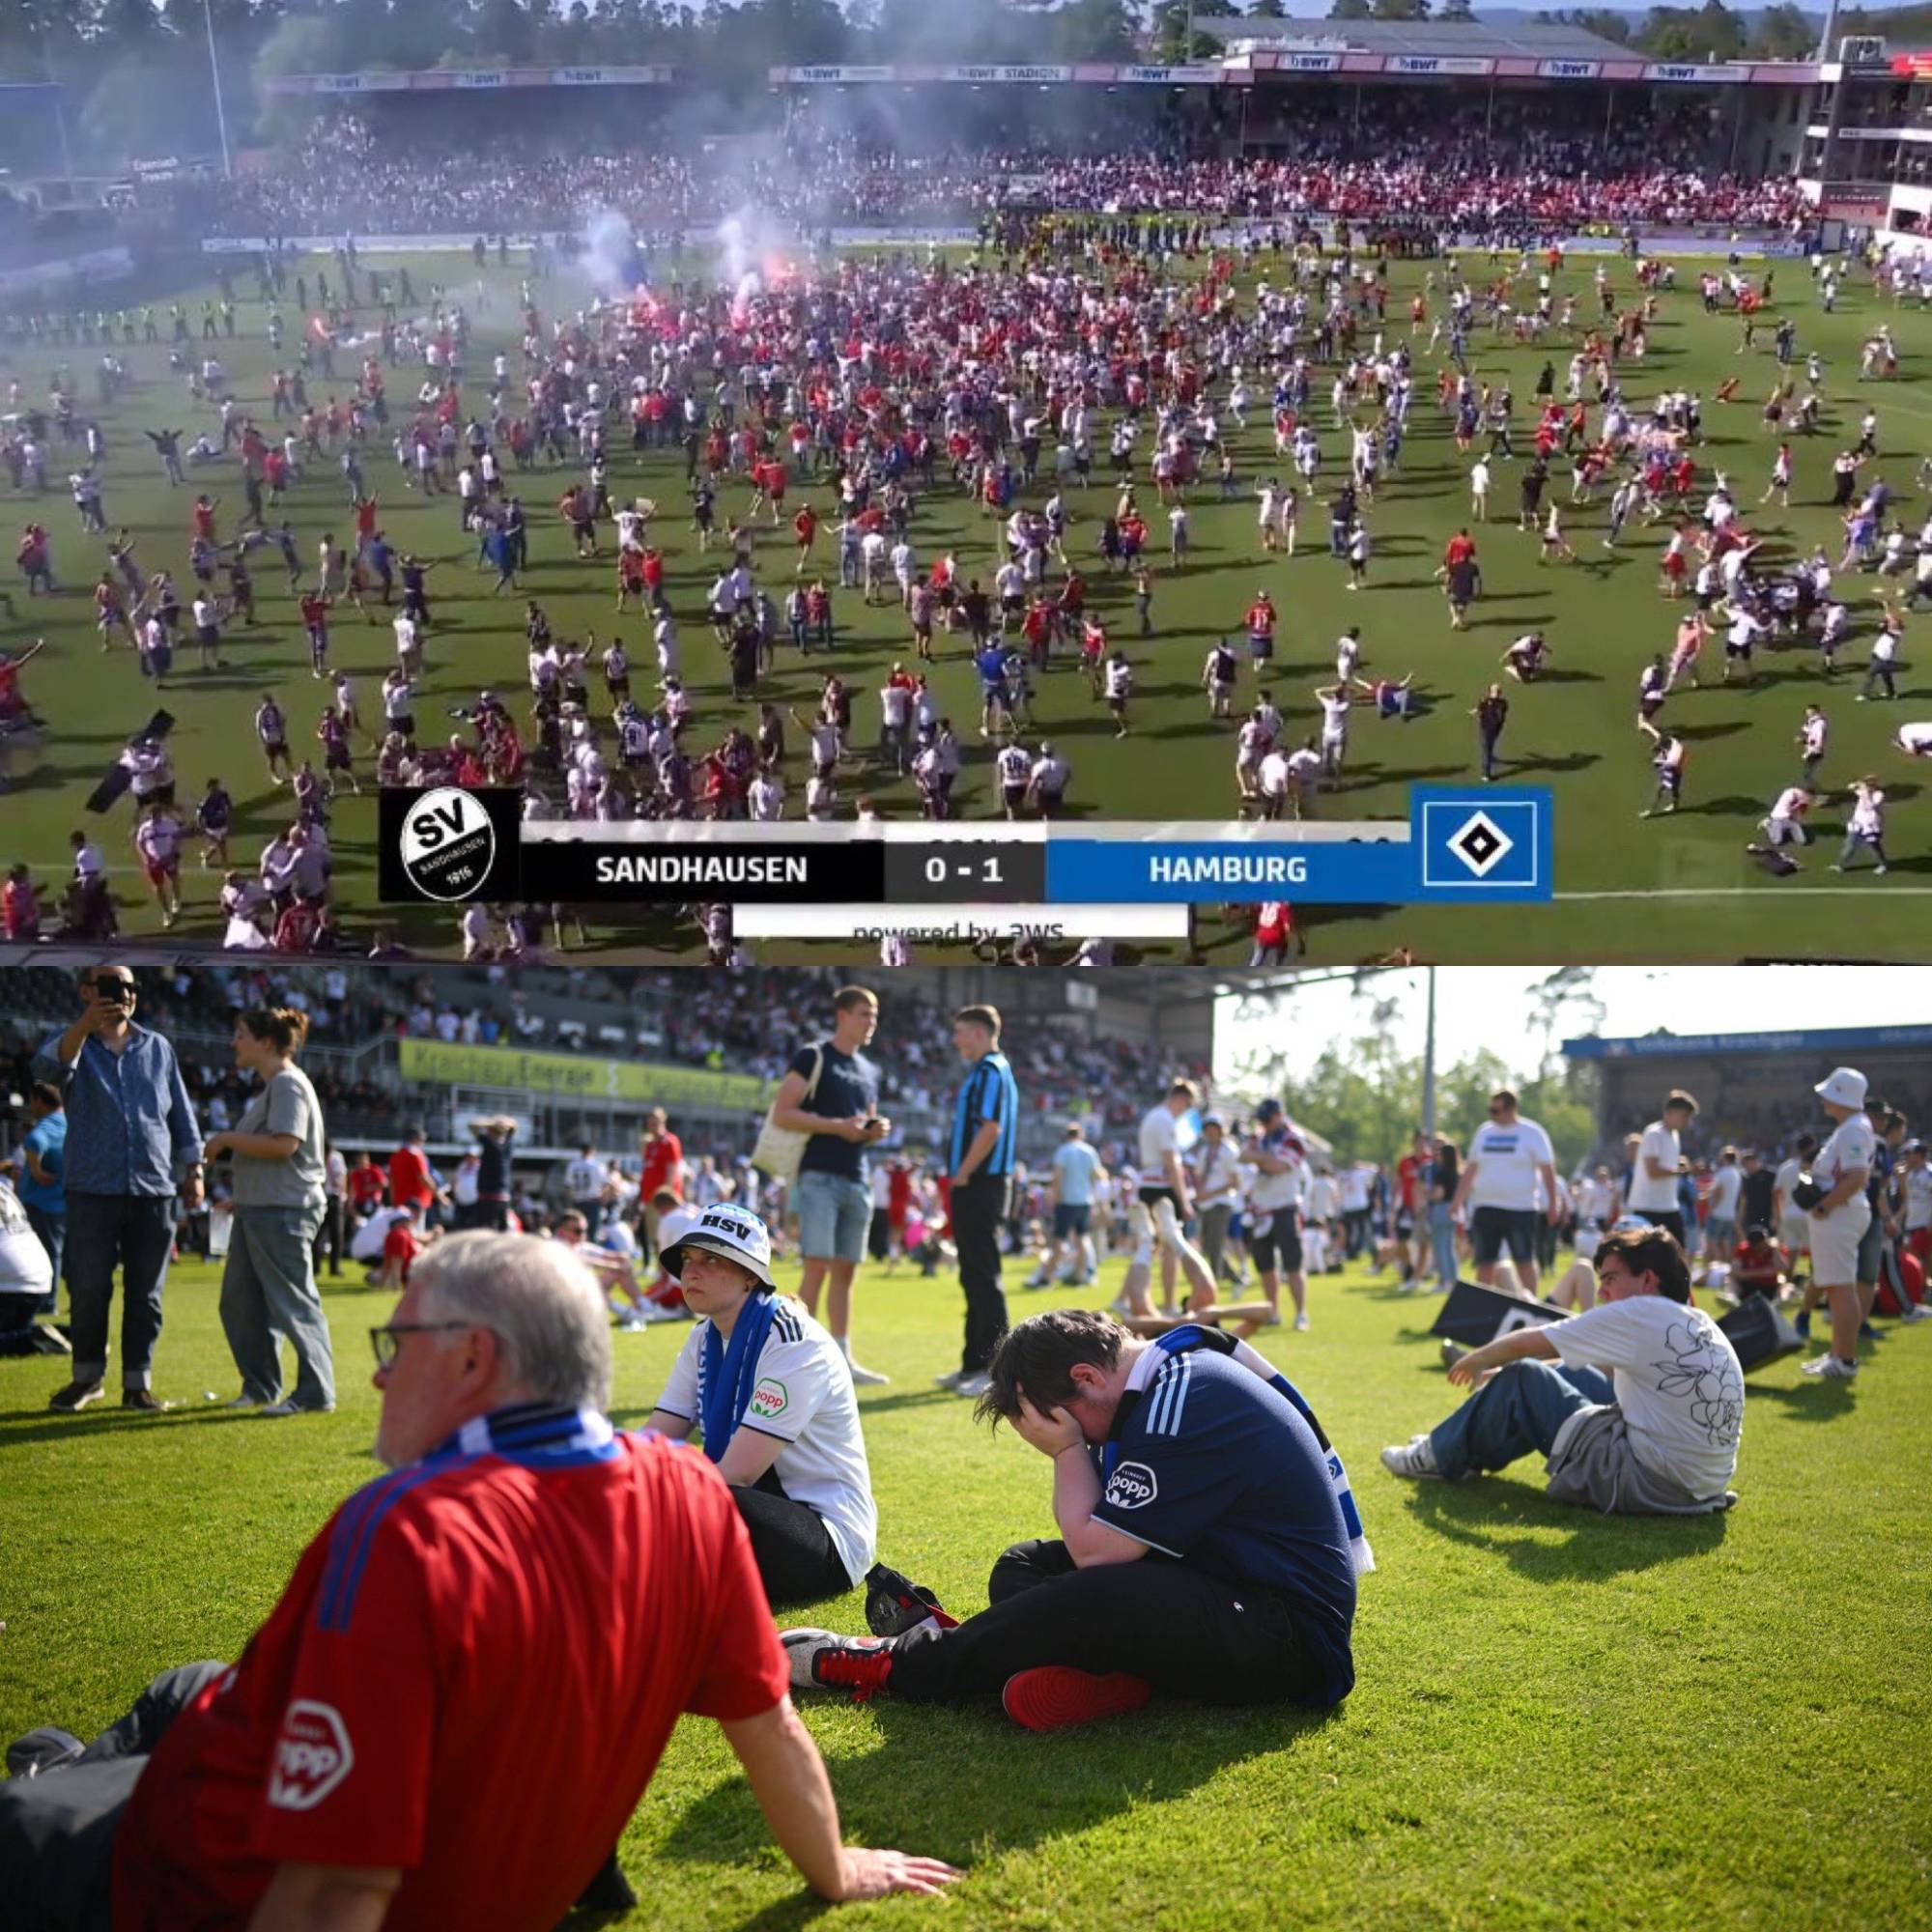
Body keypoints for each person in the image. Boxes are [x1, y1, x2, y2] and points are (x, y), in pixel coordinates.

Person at [0, 1234, 954, 1926]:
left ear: (472, 1357)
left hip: (185, 1875)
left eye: (394, 1344)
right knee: (187, 1685)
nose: (378, 1378)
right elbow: (770, 1723)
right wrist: (830, 1866)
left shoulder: (403, 1533)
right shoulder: (687, 1502)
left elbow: (337, 1890)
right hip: (369, 1812)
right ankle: (61, 1759)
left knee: (36, 1812)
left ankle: (53, 1772)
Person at [781, 1309, 1365, 1730]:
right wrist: (1073, 1444)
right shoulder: (1162, 1381)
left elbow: (1098, 1555)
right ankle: (1117, 1681)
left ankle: (894, 1663)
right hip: (1223, 1581)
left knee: (1095, 1591)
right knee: (1023, 1567)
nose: (1074, 1442)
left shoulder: (1182, 1398)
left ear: (1085, 1378)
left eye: (1065, 1424)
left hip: (1289, 1637)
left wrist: (1067, 1453)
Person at [1382, 1225, 1742, 1514]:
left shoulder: (1637, 1313)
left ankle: (1436, 1455)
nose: (1602, 1292)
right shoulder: (1696, 1320)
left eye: (1611, 1279)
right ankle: (1458, 1444)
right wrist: (1501, 1377)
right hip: (1701, 1485)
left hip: (1648, 1482)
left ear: (1647, 1280)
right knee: (1570, 1375)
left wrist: (1478, 1358)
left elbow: (1525, 1343)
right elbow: (1599, 1369)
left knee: (1524, 1374)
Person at [646, 1203, 877, 1605]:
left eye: (711, 1259)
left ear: (750, 1276)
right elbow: (653, 1443)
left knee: (707, 1502)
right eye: (687, 1258)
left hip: (827, 1538)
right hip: (758, 1506)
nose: (690, 1271)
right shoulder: (702, 1338)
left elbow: (739, 1473)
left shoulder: (794, 1342)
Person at [33, 968, 204, 1412]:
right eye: (112, 986)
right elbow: (43, 1071)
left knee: (146, 1293)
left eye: (131, 987)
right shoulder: (74, 1043)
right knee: (88, 1288)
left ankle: (137, 1384)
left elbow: (181, 1115)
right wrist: (86, 1025)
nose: (124, 995)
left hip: (153, 1188)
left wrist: (195, 1170)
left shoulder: (158, 1047)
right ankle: (87, 1378)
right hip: (92, 1187)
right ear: (87, 992)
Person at [204, 1008, 335, 1415]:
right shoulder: (276, 1086)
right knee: (240, 1302)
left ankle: (315, 1393)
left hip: (284, 1211)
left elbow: (285, 1144)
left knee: (293, 1302)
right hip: (260, 1208)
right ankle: (261, 1386)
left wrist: (226, 1138)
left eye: (240, 1034)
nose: (233, 1042)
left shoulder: (287, 1084)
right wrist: (242, 1197)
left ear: (265, 1042)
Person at [767, 986, 892, 1385]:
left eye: (873, 1015)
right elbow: (783, 1113)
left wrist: (873, 1131)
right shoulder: (813, 1056)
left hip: (857, 1176)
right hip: (818, 1175)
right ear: (841, 1015)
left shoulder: (870, 1071)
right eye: (862, 1014)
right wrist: (837, 1127)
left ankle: (841, 1357)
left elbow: (861, 1121)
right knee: (816, 1265)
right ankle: (797, 1355)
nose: (870, 1021)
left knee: (847, 1271)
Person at [938, 1006, 1020, 1401]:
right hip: (979, 1183)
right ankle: (973, 1362)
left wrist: (964, 1173)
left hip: (981, 1183)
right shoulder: (988, 1071)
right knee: (973, 1273)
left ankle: (996, 1371)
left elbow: (990, 1127)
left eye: (960, 1032)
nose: (955, 1041)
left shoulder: (990, 1070)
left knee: (984, 1274)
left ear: (979, 1032)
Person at [1799, 1066, 1875, 1380]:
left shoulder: (1853, 1129)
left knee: (1841, 1288)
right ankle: (1837, 1354)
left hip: (1839, 1214)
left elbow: (1857, 1177)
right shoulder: (1850, 1127)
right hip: (1839, 1214)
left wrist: (1822, 1206)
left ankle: (1844, 1359)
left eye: (1830, 1093)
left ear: (1841, 1096)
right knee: (1836, 1286)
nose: (1824, 1099)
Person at [1123, 1080, 1220, 1321]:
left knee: (1148, 1246)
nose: (1186, 1111)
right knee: (1170, 1246)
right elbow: (1171, 1162)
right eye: (1188, 1104)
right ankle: (1167, 1302)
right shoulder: (1164, 1119)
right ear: (1180, 1097)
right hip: (1161, 1184)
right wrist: (1184, 1199)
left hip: (1148, 1181)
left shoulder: (1154, 1117)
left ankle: (1124, 1297)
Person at [1453, 1089, 1560, 1299]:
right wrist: (1457, 1200)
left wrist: (1553, 1205)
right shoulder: (1484, 1132)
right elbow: (1471, 1169)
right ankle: (1481, 1307)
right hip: (1486, 1206)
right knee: (1484, 1262)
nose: (1491, 1114)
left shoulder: (1532, 1133)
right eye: (1490, 1109)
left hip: (1521, 1208)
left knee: (1524, 1260)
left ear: (1510, 1108)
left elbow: (1548, 1170)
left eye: (1496, 1109)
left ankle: (1531, 1304)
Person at [1030, 1121, 1103, 1291]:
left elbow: (1058, 1176)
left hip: (1067, 1201)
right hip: (1085, 1201)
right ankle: (1079, 1275)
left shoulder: (1063, 1151)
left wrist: (1056, 1197)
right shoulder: (1089, 1151)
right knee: (1083, 1238)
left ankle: (1048, 1277)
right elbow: (1096, 1175)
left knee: (1059, 1240)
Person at [17, 1081, 67, 1315]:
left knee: (47, 1254)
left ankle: (47, 1303)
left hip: (42, 1202)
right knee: (62, 1253)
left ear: (39, 1100)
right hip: (66, 1201)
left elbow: (35, 1140)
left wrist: (35, 1170)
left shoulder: (47, 1125)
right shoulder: (70, 1123)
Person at [1627, 1089, 1698, 1245]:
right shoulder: (1654, 1134)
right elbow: (1653, 1171)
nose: (1687, 1121)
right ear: (1670, 1112)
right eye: (1685, 1115)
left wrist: (1680, 1166)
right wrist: (1684, 1171)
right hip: (1649, 1207)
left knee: (1677, 1253)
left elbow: (1665, 1165)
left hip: (1668, 1206)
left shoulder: (1674, 1135)